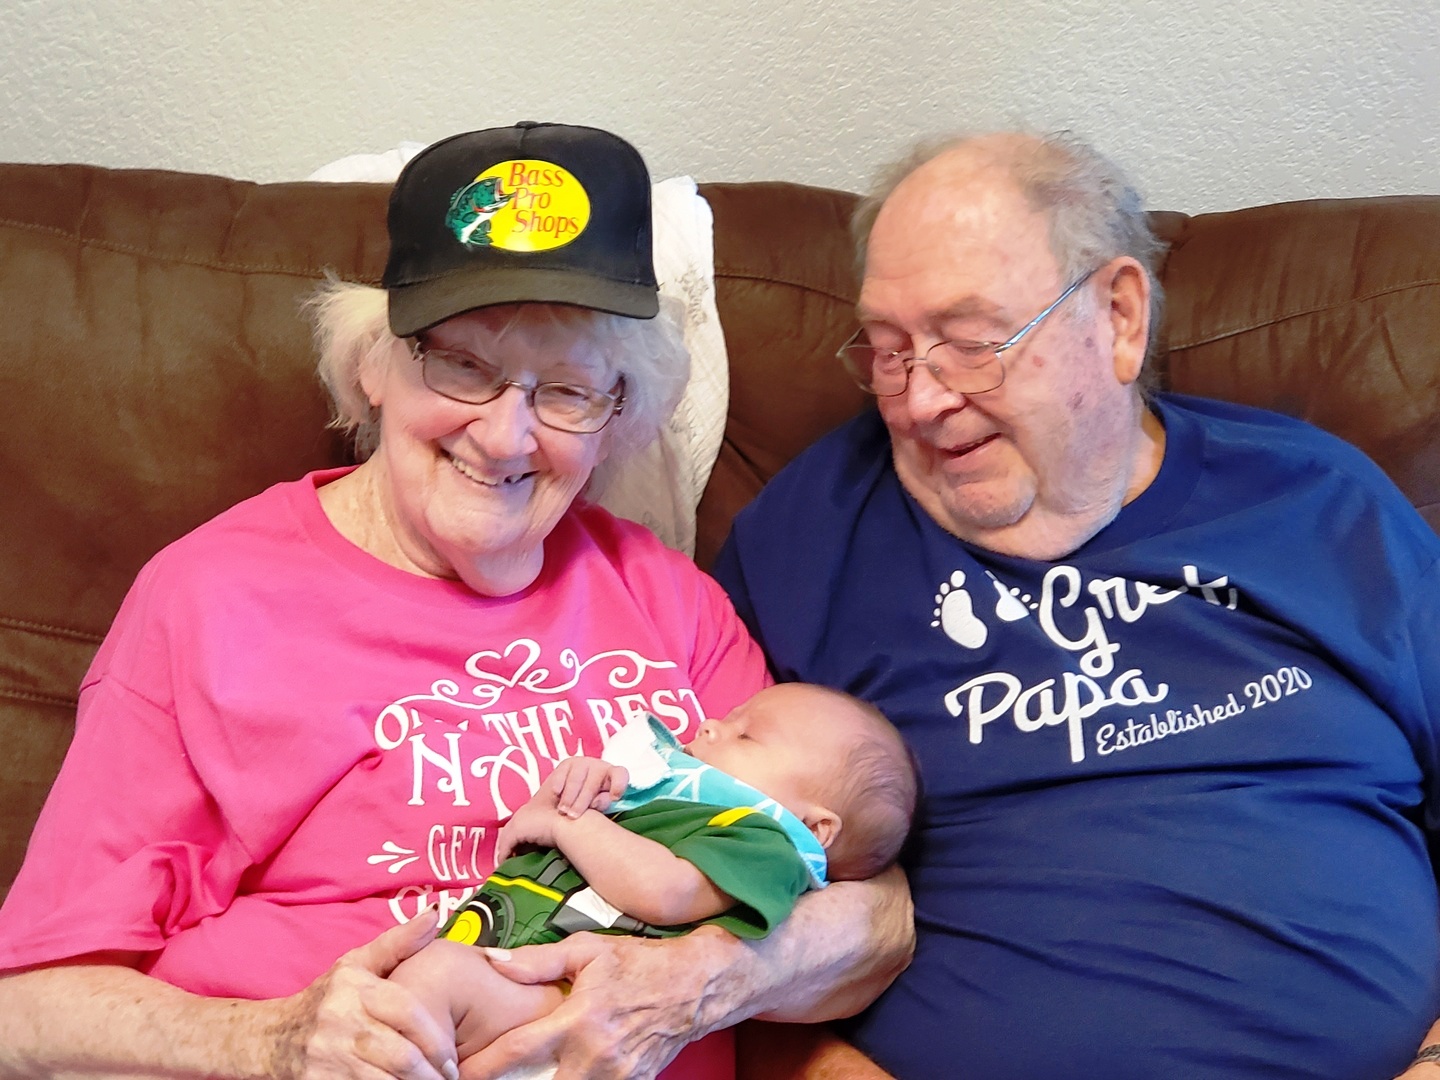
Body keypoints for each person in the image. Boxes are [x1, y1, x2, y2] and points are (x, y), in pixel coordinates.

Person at [0, 122, 913, 1080]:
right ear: (374, 364)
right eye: (464, 365)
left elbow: (870, 911)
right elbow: (26, 1005)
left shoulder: (666, 596)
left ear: (617, 417)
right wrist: (268, 1042)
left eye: (567, 390)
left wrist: (702, 980)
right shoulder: (211, 599)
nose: (506, 435)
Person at [711, 130, 1440, 1080]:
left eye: (971, 343)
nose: (920, 400)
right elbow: (699, 867)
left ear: (1120, 317)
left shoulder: (1319, 506)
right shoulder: (808, 540)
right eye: (889, 352)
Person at [390, 682, 917, 1066]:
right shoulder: (664, 804)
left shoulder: (766, 843)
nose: (710, 726)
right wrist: (575, 791)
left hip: (567, 1002)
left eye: (745, 736)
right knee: (403, 995)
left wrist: (570, 822)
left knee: (430, 984)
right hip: (505, 958)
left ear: (815, 827)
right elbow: (525, 859)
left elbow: (666, 892)